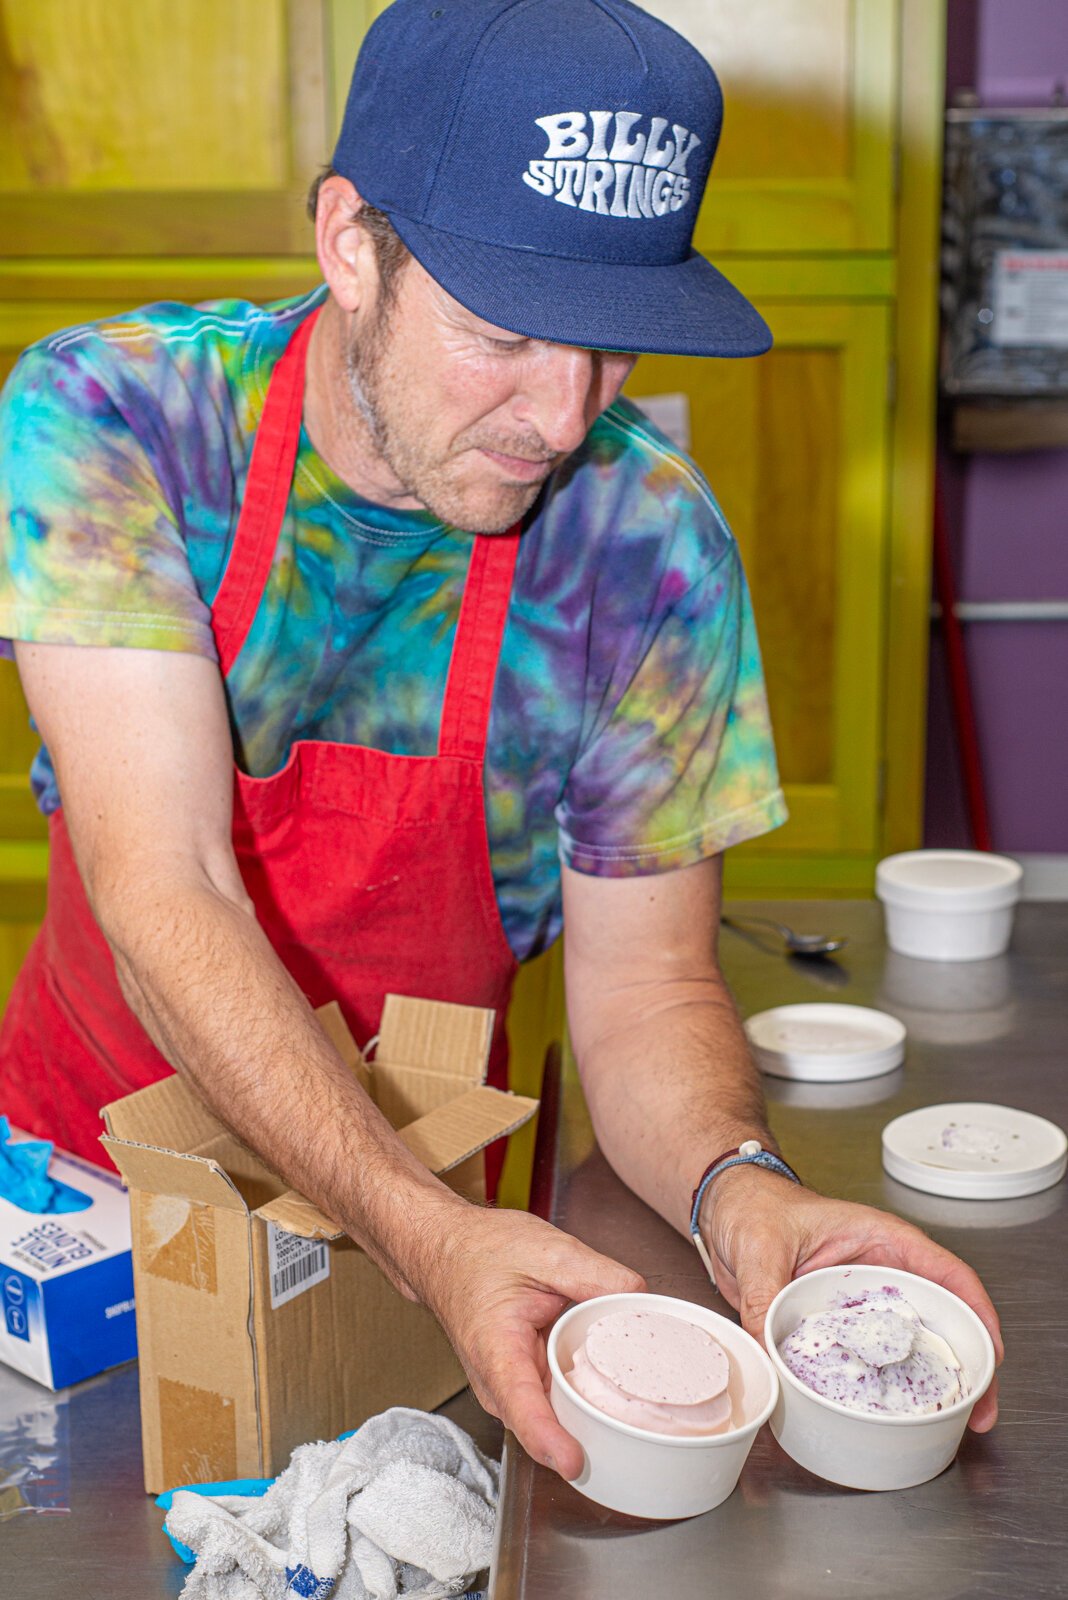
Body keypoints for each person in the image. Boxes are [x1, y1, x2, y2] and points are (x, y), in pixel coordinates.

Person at [0, 0, 1000, 1478]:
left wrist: (743, 1195)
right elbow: (169, 890)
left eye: (606, 345)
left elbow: (649, 992)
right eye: (504, 333)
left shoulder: (646, 540)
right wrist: (424, 1231)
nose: (559, 415)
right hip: (88, 1197)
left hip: (458, 1209)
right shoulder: (118, 421)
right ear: (353, 246)